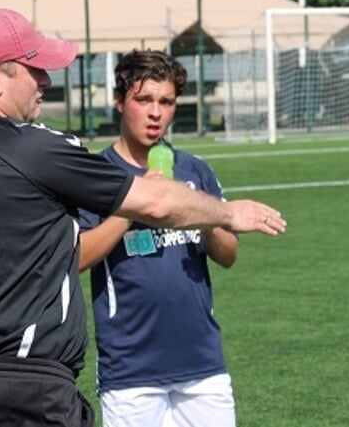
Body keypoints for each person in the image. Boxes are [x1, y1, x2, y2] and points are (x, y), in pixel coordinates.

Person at [0, 8, 286, 427]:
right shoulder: (33, 147)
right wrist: (229, 212)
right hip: (31, 395)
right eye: (34, 68)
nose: (45, 80)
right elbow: (156, 203)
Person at [78, 49, 241, 427]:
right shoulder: (95, 173)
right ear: (120, 102)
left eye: (166, 102)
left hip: (203, 363)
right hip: (132, 370)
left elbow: (229, 255)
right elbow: (77, 257)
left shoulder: (194, 170)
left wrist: (197, 215)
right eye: (144, 100)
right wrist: (140, 202)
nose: (156, 113)